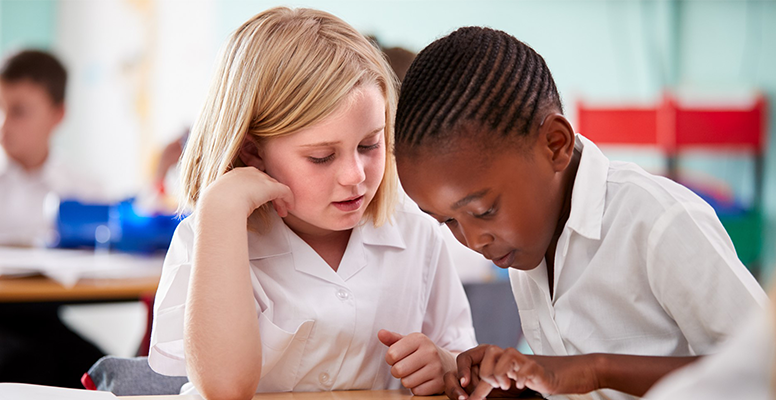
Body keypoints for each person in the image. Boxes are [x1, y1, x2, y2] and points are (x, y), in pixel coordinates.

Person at [392, 26, 767, 400]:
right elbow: (569, 385)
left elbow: (761, 368)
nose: (474, 241)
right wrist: (521, 386)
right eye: (450, 221)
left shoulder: (657, 221)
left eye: (485, 209)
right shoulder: (527, 246)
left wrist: (594, 370)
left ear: (555, 144)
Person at [147, 7, 476, 400]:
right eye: (322, 157)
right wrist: (219, 210)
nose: (355, 175)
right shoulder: (211, 235)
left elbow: (462, 364)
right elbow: (225, 389)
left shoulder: (416, 230)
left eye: (370, 145)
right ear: (253, 152)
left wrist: (443, 364)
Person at [0, 49, 105, 387]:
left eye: (18, 111)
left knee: (102, 372)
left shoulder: (83, 187)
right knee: (28, 366)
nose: (3, 124)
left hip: (45, 319)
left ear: (57, 114)